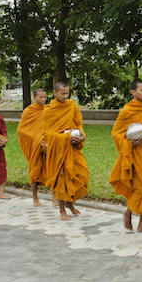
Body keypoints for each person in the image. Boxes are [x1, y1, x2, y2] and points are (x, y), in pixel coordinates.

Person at [109, 79, 142, 233]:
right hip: (133, 155)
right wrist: (130, 145)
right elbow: (116, 133)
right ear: (133, 92)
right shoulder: (127, 110)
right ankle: (128, 211)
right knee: (141, 189)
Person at [43, 82, 89, 221]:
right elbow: (47, 133)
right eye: (62, 93)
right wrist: (65, 137)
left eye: (66, 93)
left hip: (72, 148)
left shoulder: (72, 106)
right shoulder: (49, 110)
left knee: (81, 174)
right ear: (55, 93)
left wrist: (82, 136)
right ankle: (62, 210)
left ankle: (70, 203)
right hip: (57, 149)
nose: (65, 96)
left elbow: (78, 124)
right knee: (61, 178)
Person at [17, 88, 51, 206]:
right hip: (35, 146)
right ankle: (35, 199)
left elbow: (51, 127)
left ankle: (56, 198)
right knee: (34, 171)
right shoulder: (29, 111)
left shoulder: (48, 110)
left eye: (44, 97)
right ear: (34, 98)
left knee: (53, 170)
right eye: (40, 97)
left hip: (47, 145)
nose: (43, 99)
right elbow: (22, 130)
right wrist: (37, 139)